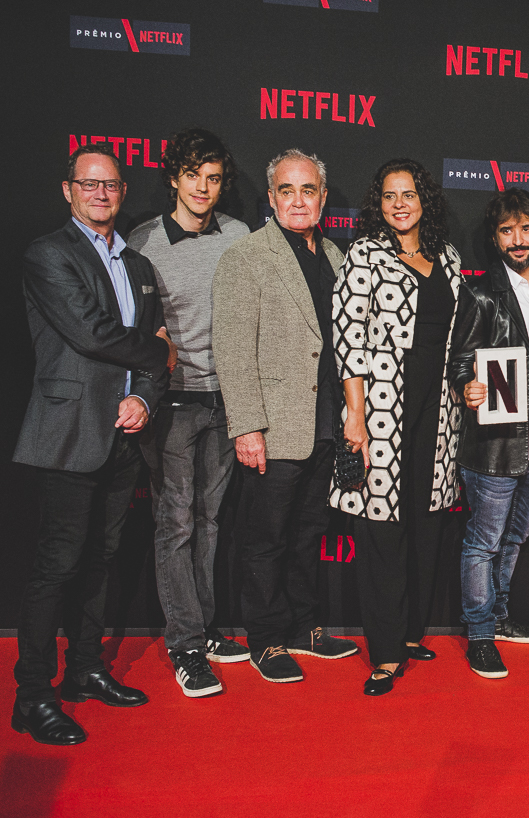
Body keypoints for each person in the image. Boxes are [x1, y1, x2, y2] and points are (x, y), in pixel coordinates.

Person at [11, 143, 176, 745]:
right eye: (89, 184)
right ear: (68, 190)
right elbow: (91, 334)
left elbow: (157, 343)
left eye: (110, 185)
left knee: (100, 562)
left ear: (123, 192)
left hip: (126, 433)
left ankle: (84, 670)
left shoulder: (137, 265)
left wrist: (147, 397)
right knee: (57, 566)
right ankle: (32, 695)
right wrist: (159, 352)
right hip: (67, 432)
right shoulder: (48, 254)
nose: (100, 194)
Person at [212, 148, 358, 684]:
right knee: (266, 535)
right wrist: (247, 425)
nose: (299, 200)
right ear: (271, 198)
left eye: (309, 190)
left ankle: (302, 626)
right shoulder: (246, 257)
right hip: (274, 425)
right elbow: (231, 349)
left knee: (307, 532)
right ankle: (267, 637)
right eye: (287, 191)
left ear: (322, 197)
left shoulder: (339, 258)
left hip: (325, 423)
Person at [330, 159, 464, 695]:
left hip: (440, 411)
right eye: (389, 196)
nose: (399, 204)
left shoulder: (448, 258)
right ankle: (384, 654)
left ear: (424, 199)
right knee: (382, 530)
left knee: (426, 524)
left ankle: (409, 634)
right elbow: (349, 339)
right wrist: (356, 417)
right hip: (383, 409)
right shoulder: (365, 254)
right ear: (378, 204)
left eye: (408, 194)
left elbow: (460, 336)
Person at [128, 128, 251, 698]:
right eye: (193, 176)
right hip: (172, 402)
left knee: (210, 519)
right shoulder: (144, 241)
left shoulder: (239, 235)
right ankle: (185, 644)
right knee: (175, 522)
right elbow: (131, 328)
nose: (204, 188)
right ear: (173, 178)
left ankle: (203, 628)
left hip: (224, 401)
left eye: (214, 178)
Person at [448, 188, 529, 679]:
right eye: (506, 231)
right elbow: (460, 360)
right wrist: (468, 387)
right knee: (484, 541)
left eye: (525, 230)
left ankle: (498, 617)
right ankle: (479, 633)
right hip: (497, 445)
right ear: (495, 238)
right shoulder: (481, 294)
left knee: (514, 538)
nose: (517, 240)